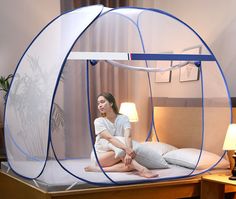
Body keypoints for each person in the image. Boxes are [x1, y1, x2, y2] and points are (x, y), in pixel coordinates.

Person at [85, 92, 158, 178]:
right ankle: (143, 170)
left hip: (118, 154)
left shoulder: (124, 118)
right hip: (101, 156)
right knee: (121, 151)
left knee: (129, 165)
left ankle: (98, 169)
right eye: (98, 103)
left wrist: (128, 154)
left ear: (111, 103)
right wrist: (127, 150)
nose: (100, 105)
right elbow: (110, 138)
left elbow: (128, 136)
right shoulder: (98, 121)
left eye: (102, 102)